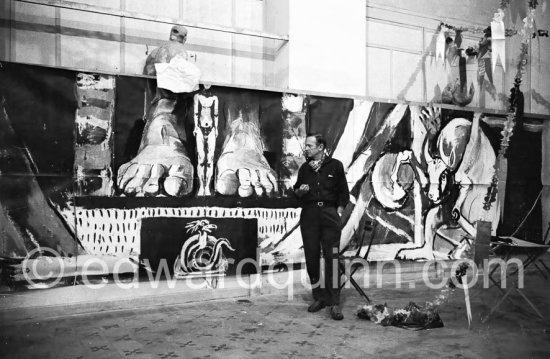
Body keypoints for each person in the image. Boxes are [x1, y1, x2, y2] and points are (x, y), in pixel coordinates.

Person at [293, 133, 350, 320]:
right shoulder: (304, 169)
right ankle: (319, 297)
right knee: (311, 256)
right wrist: (300, 192)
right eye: (306, 145)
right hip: (309, 214)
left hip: (329, 214)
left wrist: (338, 213)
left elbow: (344, 193)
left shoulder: (335, 166)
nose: (306, 148)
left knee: (332, 257)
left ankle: (334, 302)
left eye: (309, 145)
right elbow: (296, 192)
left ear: (320, 147)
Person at [193, 84, 219, 196]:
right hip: (200, 128)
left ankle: (207, 187)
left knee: (210, 159)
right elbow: (196, 113)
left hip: (211, 129)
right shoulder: (197, 96)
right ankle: (201, 187)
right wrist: (195, 126)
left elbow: (216, 114)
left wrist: (216, 129)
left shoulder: (214, 98)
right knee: (201, 158)